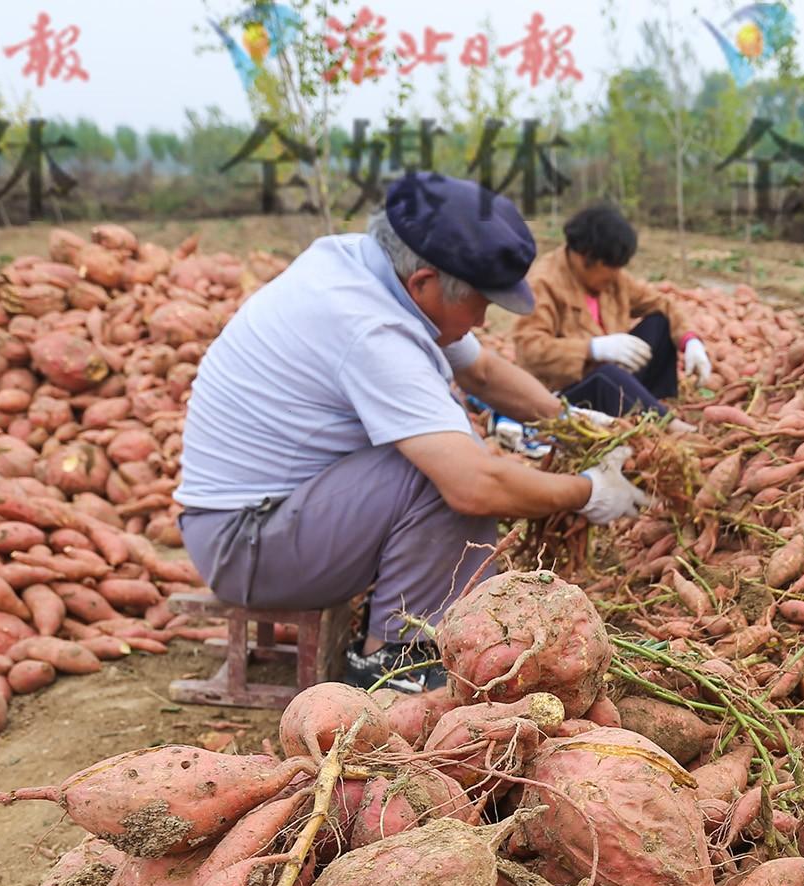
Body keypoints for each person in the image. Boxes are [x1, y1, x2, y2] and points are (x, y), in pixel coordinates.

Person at [174, 172, 648, 693]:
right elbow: (474, 485)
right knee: (440, 472)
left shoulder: (370, 267)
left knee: (446, 449)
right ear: (425, 281)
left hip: (269, 518)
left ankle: (406, 628)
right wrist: (588, 492)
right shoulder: (370, 328)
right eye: (481, 303)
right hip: (248, 547)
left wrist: (569, 422)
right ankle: (396, 659)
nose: (485, 318)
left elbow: (484, 373)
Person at [514, 202, 712, 417]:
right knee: (606, 374)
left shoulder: (613, 280)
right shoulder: (544, 283)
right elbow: (529, 348)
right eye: (609, 269)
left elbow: (663, 303)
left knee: (660, 322)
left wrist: (690, 341)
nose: (614, 277)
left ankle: (654, 400)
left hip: (617, 379)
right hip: (571, 392)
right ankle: (665, 421)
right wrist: (592, 349)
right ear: (585, 257)